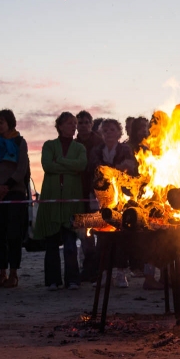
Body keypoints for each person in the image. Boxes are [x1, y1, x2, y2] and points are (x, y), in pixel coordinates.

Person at [33, 112, 87, 291]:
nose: (74, 126)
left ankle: (72, 279)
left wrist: (62, 161)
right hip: (52, 199)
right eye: (70, 123)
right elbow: (47, 165)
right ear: (60, 125)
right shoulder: (49, 145)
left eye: (75, 123)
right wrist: (69, 167)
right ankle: (53, 280)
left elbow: (81, 165)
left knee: (71, 243)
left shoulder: (80, 148)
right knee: (52, 244)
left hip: (72, 200)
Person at [89, 119, 137, 288]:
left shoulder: (125, 149)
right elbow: (96, 169)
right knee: (102, 237)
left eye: (111, 130)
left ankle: (121, 273)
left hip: (122, 198)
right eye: (105, 130)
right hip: (102, 198)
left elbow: (130, 168)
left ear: (119, 132)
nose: (108, 133)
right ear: (101, 134)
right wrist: (115, 169)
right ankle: (102, 273)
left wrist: (112, 170)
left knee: (122, 236)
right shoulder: (97, 150)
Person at [0, 109, 30, 289]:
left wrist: (7, 186)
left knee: (14, 234)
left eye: (2, 121)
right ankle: (2, 272)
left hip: (15, 192)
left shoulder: (20, 142)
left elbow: (21, 167)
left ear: (10, 122)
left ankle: (13, 273)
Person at [75, 111, 104, 283]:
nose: (84, 125)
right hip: (79, 191)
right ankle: (88, 266)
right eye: (81, 122)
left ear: (91, 124)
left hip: (96, 192)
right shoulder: (74, 144)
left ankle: (98, 267)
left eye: (87, 122)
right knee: (83, 233)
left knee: (100, 230)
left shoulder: (98, 143)